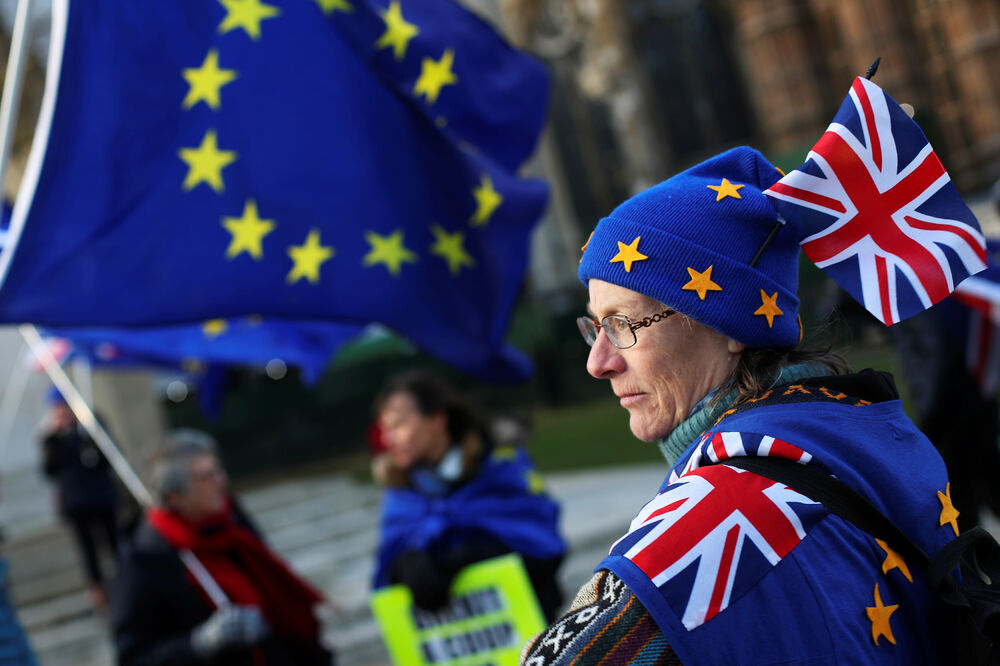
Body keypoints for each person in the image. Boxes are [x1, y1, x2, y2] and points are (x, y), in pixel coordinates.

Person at [521, 147, 956, 664]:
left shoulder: (720, 520)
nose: (598, 362)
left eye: (623, 323)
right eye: (594, 326)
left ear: (728, 325)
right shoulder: (869, 432)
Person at [112, 430, 334, 665]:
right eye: (206, 477)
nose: (221, 481)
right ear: (174, 497)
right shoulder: (145, 558)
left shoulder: (230, 521)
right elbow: (133, 657)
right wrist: (200, 643)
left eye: (217, 470)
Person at [372, 371, 567, 622]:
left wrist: (465, 557)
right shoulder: (400, 494)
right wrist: (404, 567)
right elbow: (387, 571)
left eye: (398, 425)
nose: (389, 439)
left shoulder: (501, 467)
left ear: (437, 419)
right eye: (385, 429)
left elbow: (545, 548)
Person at [38, 389, 119, 613]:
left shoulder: (91, 424)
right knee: (88, 550)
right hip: (76, 502)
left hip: (102, 496)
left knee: (114, 542)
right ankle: (99, 592)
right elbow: (49, 470)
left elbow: (109, 457)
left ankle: (123, 583)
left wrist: (88, 433)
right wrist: (53, 438)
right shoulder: (52, 437)